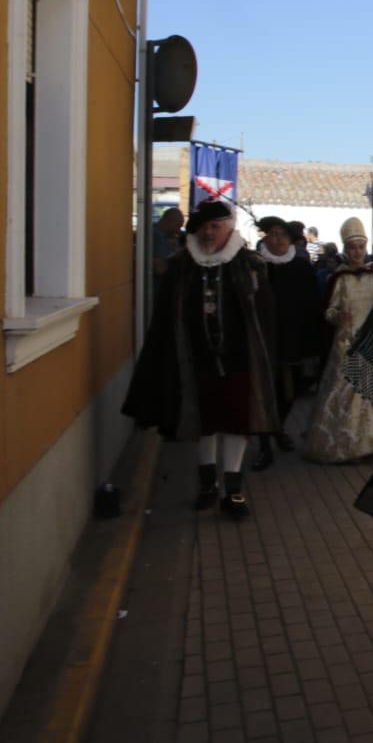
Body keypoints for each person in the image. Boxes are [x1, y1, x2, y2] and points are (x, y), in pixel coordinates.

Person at [123, 199, 278, 517]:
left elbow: (265, 317)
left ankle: (233, 493)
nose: (209, 233)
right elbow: (165, 317)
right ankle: (207, 486)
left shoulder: (250, 263)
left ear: (229, 228)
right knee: (203, 422)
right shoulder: (181, 265)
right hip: (194, 360)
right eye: (204, 227)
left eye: (215, 226)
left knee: (236, 423)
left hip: (239, 360)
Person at [303, 218, 373, 462]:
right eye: (352, 248)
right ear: (345, 249)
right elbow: (328, 311)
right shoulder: (339, 279)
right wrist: (338, 315)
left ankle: (372, 444)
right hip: (346, 342)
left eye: (361, 247)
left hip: (371, 341)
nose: (357, 253)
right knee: (345, 391)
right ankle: (346, 445)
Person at [253, 216, 322, 469]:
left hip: (292, 339)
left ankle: (278, 427)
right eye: (272, 234)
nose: (277, 239)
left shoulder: (301, 267)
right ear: (264, 237)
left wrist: (311, 341)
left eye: (282, 234)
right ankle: (264, 446)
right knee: (263, 393)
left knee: (290, 391)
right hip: (262, 340)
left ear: (291, 239)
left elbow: (312, 304)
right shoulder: (256, 266)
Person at [150, 207, 185, 278]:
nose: (178, 231)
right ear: (169, 221)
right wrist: (178, 254)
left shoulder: (162, 234)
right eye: (177, 226)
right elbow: (160, 269)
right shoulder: (157, 236)